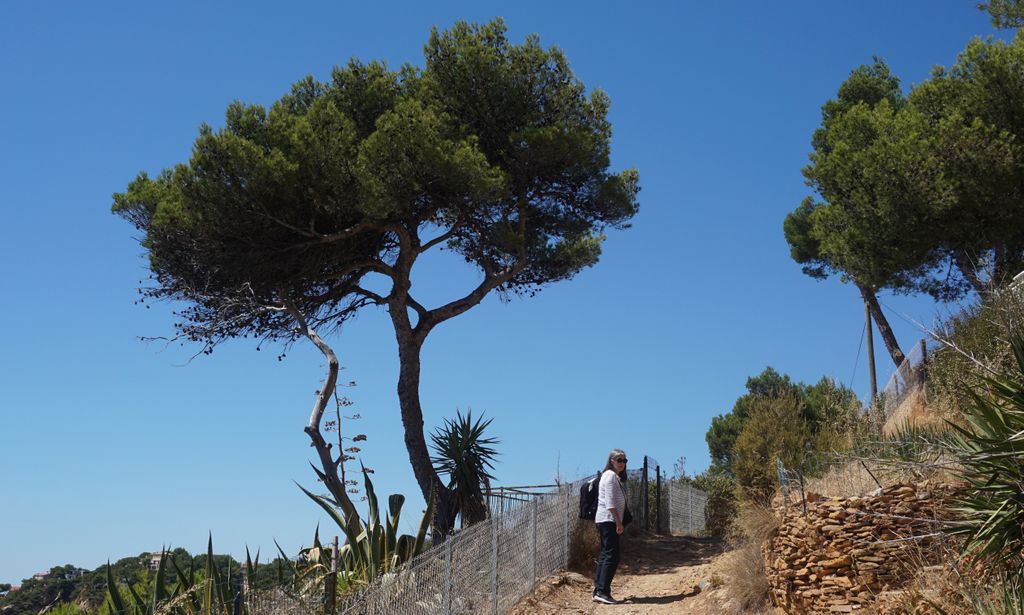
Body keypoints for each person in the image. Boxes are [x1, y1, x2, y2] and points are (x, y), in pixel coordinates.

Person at [593, 448, 628, 604]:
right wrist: (618, 522)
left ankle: (599, 591)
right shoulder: (610, 476)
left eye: (624, 461)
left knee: (605, 554)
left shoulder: (613, 477)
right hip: (608, 520)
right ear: (611, 461)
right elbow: (610, 502)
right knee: (612, 556)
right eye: (619, 460)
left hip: (606, 520)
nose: (622, 463)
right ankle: (602, 591)